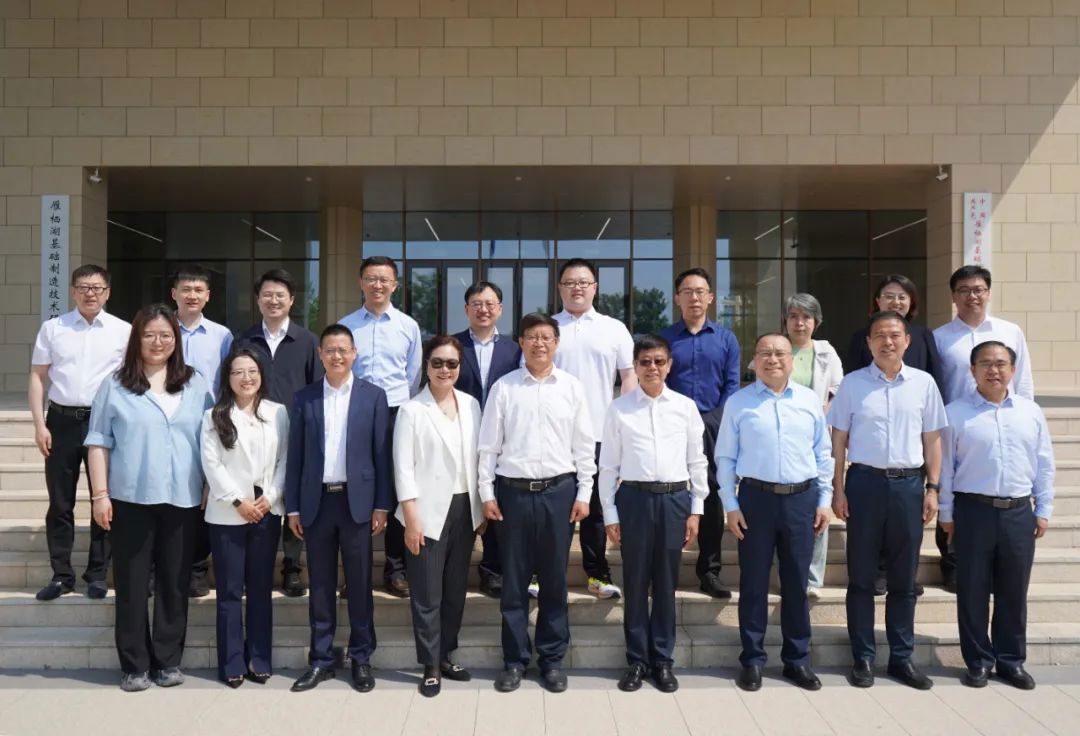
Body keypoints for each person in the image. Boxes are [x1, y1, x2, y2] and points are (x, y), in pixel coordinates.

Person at [85, 304, 213, 692]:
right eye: (149, 335)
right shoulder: (115, 384)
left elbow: (210, 438)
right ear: (136, 339)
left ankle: (167, 661)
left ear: (176, 340)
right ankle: (134, 665)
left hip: (183, 499)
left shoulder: (195, 383)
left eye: (166, 335)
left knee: (175, 583)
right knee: (132, 583)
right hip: (131, 499)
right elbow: (98, 441)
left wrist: (210, 486)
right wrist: (100, 495)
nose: (158, 342)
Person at [829, 311, 947, 690]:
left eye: (895, 334)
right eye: (879, 335)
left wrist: (933, 488)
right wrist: (838, 488)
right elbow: (838, 441)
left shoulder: (924, 384)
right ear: (869, 342)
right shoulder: (852, 384)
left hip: (909, 486)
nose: (887, 341)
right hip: (864, 484)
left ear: (907, 341)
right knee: (861, 577)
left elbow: (933, 440)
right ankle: (863, 657)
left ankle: (901, 657)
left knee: (903, 578)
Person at [478, 313, 595, 694]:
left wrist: (584, 493)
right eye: (532, 337)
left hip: (559, 493)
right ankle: (514, 661)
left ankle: (552, 660)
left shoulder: (572, 388)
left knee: (554, 581)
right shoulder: (505, 387)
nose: (539, 343)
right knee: (513, 582)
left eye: (546, 337)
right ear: (522, 343)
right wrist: (486, 492)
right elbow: (488, 446)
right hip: (512, 494)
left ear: (556, 343)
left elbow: (584, 446)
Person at [717, 333, 833, 693]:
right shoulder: (739, 403)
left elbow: (823, 454)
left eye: (780, 353)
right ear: (754, 361)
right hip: (756, 500)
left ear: (792, 360)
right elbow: (725, 458)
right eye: (765, 353)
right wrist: (730, 505)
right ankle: (752, 659)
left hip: (802, 500)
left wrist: (824, 499)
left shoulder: (809, 401)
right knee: (753, 583)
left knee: (796, 583)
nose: (773, 359)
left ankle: (797, 660)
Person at [940, 341, 1055, 690]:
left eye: (1001, 363)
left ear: (1013, 370)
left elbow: (1044, 463)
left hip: (1018, 512)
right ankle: (978, 661)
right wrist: (946, 513)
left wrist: (1043, 508)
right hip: (973, 511)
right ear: (972, 370)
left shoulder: (1030, 412)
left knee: (1013, 592)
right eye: (986, 364)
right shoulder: (955, 413)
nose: (994, 370)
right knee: (972, 590)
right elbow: (946, 469)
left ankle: (1010, 661)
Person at [285, 324, 392, 693]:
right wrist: (293, 508)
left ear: (354, 353)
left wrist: (382, 504)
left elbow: (382, 455)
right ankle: (321, 660)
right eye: (330, 349)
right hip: (317, 503)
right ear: (320, 354)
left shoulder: (373, 396)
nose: (337, 356)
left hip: (357, 503)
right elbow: (295, 457)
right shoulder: (305, 398)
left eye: (343, 349)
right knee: (320, 585)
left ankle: (361, 658)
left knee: (359, 585)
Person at [600, 335, 708, 694]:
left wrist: (696, 509)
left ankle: (662, 660)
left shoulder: (685, 407)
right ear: (635, 366)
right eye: (645, 361)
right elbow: (608, 466)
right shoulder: (619, 409)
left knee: (665, 582)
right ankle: (636, 660)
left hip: (674, 500)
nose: (652, 368)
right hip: (633, 500)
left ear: (669, 365)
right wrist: (610, 513)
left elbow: (697, 461)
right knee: (634, 582)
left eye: (659, 361)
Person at [29, 264, 130, 602]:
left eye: (97, 288)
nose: (90, 293)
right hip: (61, 422)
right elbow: (37, 377)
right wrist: (39, 424)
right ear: (73, 291)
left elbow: (130, 380)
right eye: (84, 287)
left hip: (104, 423)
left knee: (103, 499)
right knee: (60, 503)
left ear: (108, 292)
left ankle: (97, 574)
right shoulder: (53, 328)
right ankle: (61, 575)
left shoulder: (122, 331)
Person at [934, 265, 1035, 592]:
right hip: (956, 427)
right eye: (963, 290)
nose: (972, 296)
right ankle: (952, 563)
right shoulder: (940, 337)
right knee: (951, 491)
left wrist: (1025, 419)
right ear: (953, 296)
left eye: (978, 289)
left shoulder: (1010, 331)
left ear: (988, 293)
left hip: (1002, 422)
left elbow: (1023, 382)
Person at [394, 336, 484, 697]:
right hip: (426, 511)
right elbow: (403, 468)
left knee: (454, 590)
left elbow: (478, 459)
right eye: (437, 363)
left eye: (451, 363)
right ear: (426, 367)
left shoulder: (472, 405)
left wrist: (482, 506)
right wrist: (411, 517)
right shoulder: (412, 410)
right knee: (427, 593)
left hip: (464, 508)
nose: (444, 370)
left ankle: (446, 654)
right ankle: (430, 664)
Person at [848, 274, 941, 597]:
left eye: (902, 296)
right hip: (871, 442)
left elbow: (936, 377)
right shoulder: (862, 338)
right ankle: (877, 573)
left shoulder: (923, 337)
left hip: (910, 438)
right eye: (889, 295)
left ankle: (903, 576)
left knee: (905, 528)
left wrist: (934, 483)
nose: (895, 301)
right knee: (870, 529)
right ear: (877, 301)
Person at [201, 346, 289, 688]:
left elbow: (285, 459)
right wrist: (238, 501)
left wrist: (272, 496)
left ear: (261, 375)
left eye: (252, 371)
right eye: (238, 372)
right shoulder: (214, 416)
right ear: (228, 378)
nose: (246, 378)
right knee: (228, 591)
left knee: (261, 589)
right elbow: (211, 464)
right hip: (228, 514)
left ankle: (259, 658)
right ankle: (232, 662)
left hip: (266, 511)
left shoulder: (277, 412)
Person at [552, 258, 636, 600]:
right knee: (557, 508)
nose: (577, 288)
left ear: (595, 288)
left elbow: (628, 376)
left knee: (597, 509)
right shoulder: (549, 328)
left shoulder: (613, 329)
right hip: (555, 435)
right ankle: (545, 573)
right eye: (570, 282)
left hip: (601, 433)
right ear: (560, 288)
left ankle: (597, 574)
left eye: (584, 282)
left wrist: (624, 424)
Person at [236, 269, 322, 598]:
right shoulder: (244, 340)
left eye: (280, 295)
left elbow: (317, 389)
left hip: (296, 431)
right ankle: (256, 566)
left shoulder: (307, 341)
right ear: (258, 300)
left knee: (292, 498)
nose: (273, 300)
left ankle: (292, 567)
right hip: (253, 434)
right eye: (267, 295)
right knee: (259, 497)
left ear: (292, 301)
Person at [340, 255, 422, 599]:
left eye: (384, 279)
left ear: (395, 285)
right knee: (356, 488)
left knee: (396, 486)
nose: (377, 285)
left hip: (395, 412)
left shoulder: (408, 326)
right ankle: (355, 573)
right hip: (354, 412)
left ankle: (396, 569)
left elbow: (413, 375)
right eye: (371, 279)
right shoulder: (346, 326)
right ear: (361, 283)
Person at [659, 267, 740, 599]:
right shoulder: (665, 339)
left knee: (710, 494)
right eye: (687, 291)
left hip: (712, 426)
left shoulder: (726, 339)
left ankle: (709, 571)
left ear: (710, 298)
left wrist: (713, 421)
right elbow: (657, 381)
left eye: (700, 291)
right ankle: (665, 571)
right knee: (670, 495)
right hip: (670, 427)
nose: (694, 297)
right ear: (677, 298)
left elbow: (732, 386)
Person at [453, 281, 522, 599]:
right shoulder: (452, 345)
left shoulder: (514, 349)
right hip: (458, 434)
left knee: (496, 500)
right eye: (477, 304)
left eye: (490, 303)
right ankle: (452, 565)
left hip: (501, 438)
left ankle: (492, 570)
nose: (483, 309)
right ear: (466, 309)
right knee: (461, 498)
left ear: (500, 309)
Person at [172, 263, 234, 599]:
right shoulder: (161, 329)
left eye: (198, 290)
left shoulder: (222, 336)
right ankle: (162, 567)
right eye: (186, 289)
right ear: (174, 294)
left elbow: (227, 382)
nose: (192, 295)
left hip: (206, 424)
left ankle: (197, 568)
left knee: (204, 497)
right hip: (166, 424)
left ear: (208, 296)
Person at [781, 293, 843, 599]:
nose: (800, 323)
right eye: (793, 316)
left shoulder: (827, 353)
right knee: (783, 510)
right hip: (782, 437)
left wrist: (823, 413)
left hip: (816, 436)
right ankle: (789, 574)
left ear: (816, 321)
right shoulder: (776, 349)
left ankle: (813, 578)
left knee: (819, 501)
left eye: (806, 317)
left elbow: (838, 390)